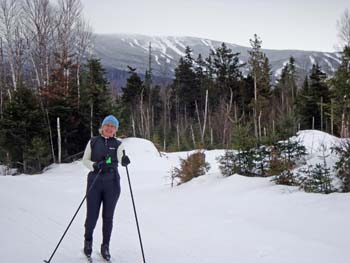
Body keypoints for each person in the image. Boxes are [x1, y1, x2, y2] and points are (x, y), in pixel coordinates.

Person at [82, 115, 130, 261]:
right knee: (92, 216)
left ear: (115, 130)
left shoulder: (118, 144)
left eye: (112, 126)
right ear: (102, 127)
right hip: (95, 181)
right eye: (107, 125)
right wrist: (94, 165)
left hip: (112, 183)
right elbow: (85, 160)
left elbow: (121, 159)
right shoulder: (93, 141)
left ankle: (105, 246)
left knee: (108, 217)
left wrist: (125, 161)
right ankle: (88, 241)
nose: (109, 128)